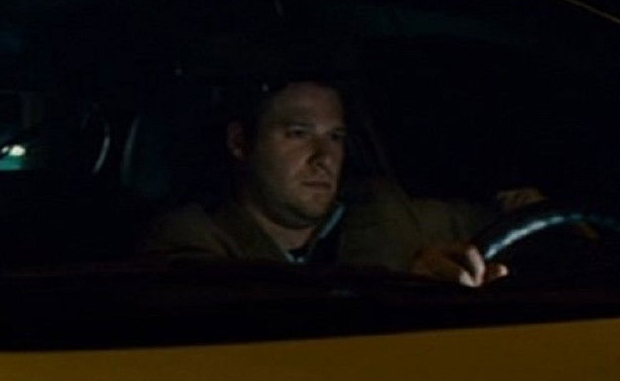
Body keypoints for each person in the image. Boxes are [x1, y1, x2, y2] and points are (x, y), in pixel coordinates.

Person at [142, 77, 521, 286]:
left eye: (335, 137)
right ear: (241, 143)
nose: (323, 157)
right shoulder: (191, 240)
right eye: (298, 134)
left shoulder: (388, 213)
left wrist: (521, 204)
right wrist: (405, 293)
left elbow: (505, 223)